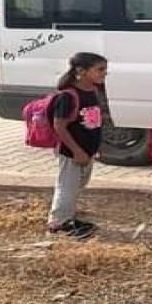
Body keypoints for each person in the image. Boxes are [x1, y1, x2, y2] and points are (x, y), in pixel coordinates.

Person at [47, 52, 108, 240]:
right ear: (81, 71)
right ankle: (58, 223)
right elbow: (60, 126)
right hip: (72, 151)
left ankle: (69, 218)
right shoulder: (68, 96)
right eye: (100, 69)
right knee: (67, 186)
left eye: (105, 69)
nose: (104, 73)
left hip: (86, 150)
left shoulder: (94, 91)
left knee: (77, 185)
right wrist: (76, 150)